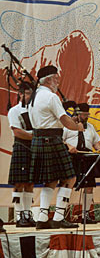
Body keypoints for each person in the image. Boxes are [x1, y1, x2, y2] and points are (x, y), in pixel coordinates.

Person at [28, 65, 84, 229]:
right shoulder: (51, 97)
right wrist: (77, 127)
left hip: (39, 139)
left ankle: (43, 218)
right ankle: (59, 217)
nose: (58, 82)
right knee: (70, 178)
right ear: (50, 80)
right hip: (52, 139)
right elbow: (64, 119)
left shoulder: (34, 96)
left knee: (50, 180)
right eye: (56, 78)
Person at [63, 103, 100, 224]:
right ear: (77, 114)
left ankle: (86, 214)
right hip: (72, 156)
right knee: (68, 185)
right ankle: (64, 213)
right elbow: (60, 140)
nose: (87, 117)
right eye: (84, 115)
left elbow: (96, 144)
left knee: (89, 186)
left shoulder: (90, 127)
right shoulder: (67, 126)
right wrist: (69, 146)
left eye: (88, 114)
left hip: (87, 157)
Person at [7, 81, 35, 227]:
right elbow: (17, 132)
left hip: (34, 148)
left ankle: (27, 214)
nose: (31, 96)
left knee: (30, 183)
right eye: (29, 93)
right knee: (19, 183)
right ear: (21, 94)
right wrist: (36, 136)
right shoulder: (14, 111)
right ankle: (19, 216)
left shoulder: (35, 110)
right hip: (21, 147)